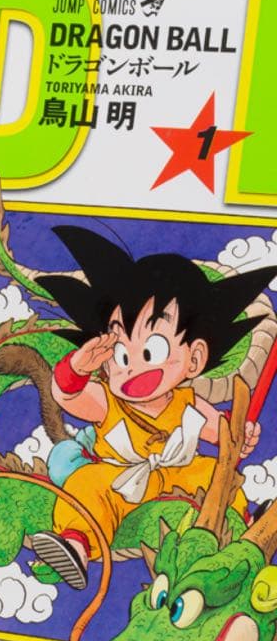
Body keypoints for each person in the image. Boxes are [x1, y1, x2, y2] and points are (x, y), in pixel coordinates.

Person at [29, 225, 276, 588]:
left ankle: (243, 530)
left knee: (216, 475)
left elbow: (225, 435)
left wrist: (243, 435)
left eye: (151, 351)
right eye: (120, 353)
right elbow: (67, 396)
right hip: (119, 478)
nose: (132, 367)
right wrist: (77, 369)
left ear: (195, 358)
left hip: (179, 475)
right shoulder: (107, 400)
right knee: (87, 483)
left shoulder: (189, 403)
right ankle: (76, 544)